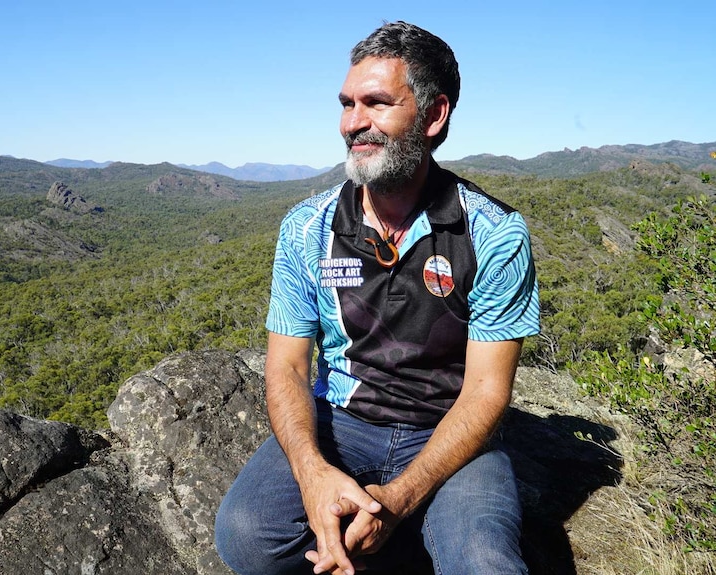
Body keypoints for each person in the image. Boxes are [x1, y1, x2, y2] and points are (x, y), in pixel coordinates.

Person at [215, 20, 539, 575]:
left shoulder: (493, 234)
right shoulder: (307, 229)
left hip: (448, 430)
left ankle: (399, 535)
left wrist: (401, 499)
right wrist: (313, 473)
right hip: (343, 417)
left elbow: (487, 390)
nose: (352, 123)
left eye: (377, 103)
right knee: (248, 537)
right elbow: (288, 367)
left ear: (434, 116)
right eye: (346, 104)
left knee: (484, 562)